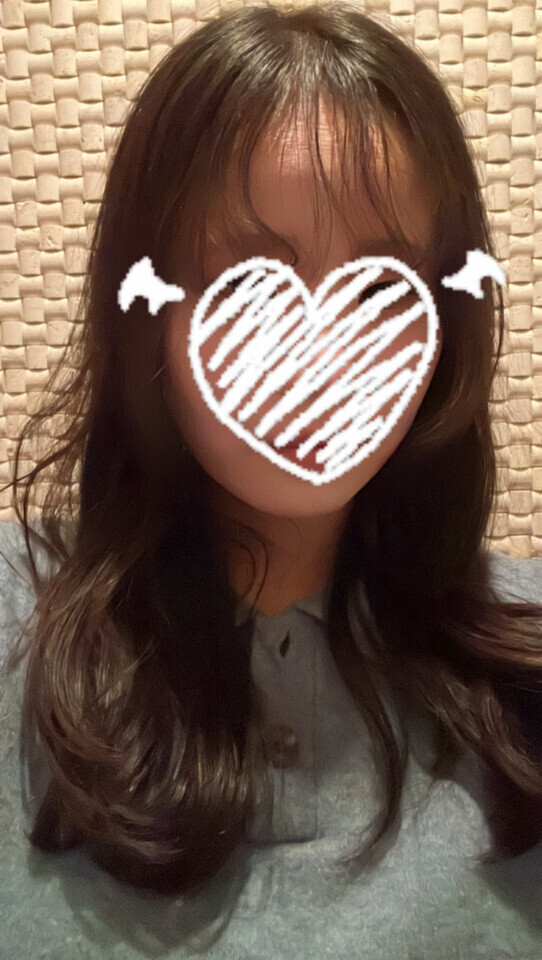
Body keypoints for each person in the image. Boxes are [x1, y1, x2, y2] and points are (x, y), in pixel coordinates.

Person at [0, 2, 541, 956]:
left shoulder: (525, 663)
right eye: (250, 281)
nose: (319, 355)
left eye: (380, 288)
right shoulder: (17, 622)